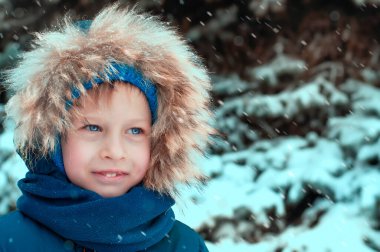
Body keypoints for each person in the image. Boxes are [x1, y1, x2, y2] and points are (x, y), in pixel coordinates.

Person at [0, 4, 213, 251]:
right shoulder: (9, 241)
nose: (114, 151)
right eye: (93, 128)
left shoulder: (183, 246)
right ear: (52, 137)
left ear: (160, 141)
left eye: (135, 131)